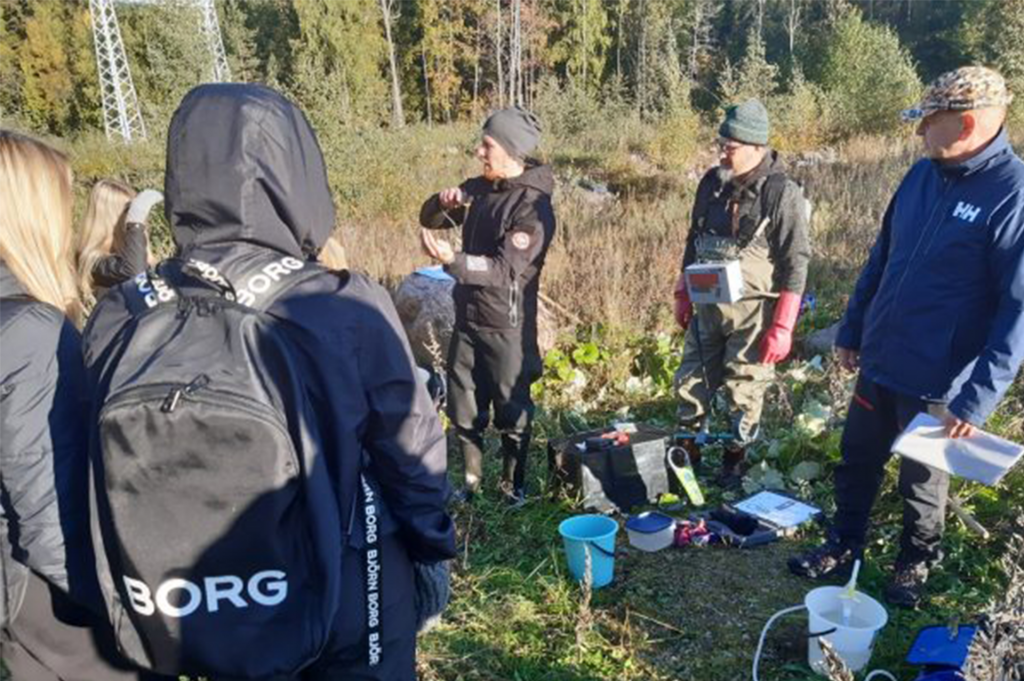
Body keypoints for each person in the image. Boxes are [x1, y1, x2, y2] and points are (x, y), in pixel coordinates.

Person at [81, 84, 456, 681]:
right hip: (349, 587)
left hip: (189, 602)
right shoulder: (342, 303)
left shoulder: (122, 309)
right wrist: (433, 547)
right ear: (295, 175)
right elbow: (411, 453)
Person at [789, 66, 1024, 608]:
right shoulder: (920, 176)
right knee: (856, 460)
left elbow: (1017, 310)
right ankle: (843, 544)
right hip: (882, 358)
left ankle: (913, 564)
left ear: (966, 123)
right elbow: (881, 258)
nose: (919, 132)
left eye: (927, 121)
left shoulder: (1011, 194)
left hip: (939, 380)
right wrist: (852, 329)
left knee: (922, 481)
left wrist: (977, 399)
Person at [0, 132, 157, 681]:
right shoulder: (33, 331)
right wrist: (129, 614)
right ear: (33, 216)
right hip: (53, 607)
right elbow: (50, 511)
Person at [418, 107, 556, 506]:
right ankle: (472, 485)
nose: (479, 152)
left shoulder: (533, 208)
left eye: (488, 145)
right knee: (464, 406)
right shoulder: (480, 188)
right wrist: (441, 202)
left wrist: (453, 260)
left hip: (507, 325)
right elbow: (430, 218)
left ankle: (513, 488)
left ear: (511, 151)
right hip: (468, 317)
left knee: (512, 409)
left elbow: (502, 270)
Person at [672, 99, 811, 486]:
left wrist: (783, 326)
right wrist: (682, 291)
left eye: (729, 147)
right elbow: (693, 238)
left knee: (744, 389)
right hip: (706, 305)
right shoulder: (711, 183)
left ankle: (734, 462)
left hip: (753, 314)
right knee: (690, 380)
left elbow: (796, 261)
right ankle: (686, 454)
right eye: (720, 144)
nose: (721, 153)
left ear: (756, 147)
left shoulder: (781, 193)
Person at [76, 179, 162, 304]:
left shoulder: (135, 255)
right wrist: (135, 225)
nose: (140, 217)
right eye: (129, 211)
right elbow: (135, 274)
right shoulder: (95, 261)